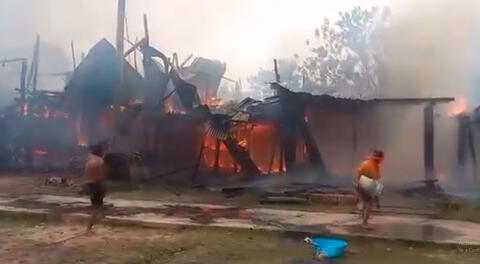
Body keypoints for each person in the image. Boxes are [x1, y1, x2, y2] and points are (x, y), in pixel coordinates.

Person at [355, 150, 384, 229]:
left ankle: (362, 216)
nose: (382, 160)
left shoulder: (367, 162)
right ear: (379, 157)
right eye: (381, 158)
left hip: (360, 183)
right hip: (367, 184)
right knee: (369, 203)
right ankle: (364, 222)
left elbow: (358, 173)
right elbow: (375, 179)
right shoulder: (373, 165)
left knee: (364, 201)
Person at [84, 142, 107, 233]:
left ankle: (91, 225)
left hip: (90, 184)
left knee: (96, 207)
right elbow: (101, 175)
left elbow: (86, 174)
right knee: (97, 208)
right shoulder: (100, 161)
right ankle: (89, 228)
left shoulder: (89, 161)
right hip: (97, 184)